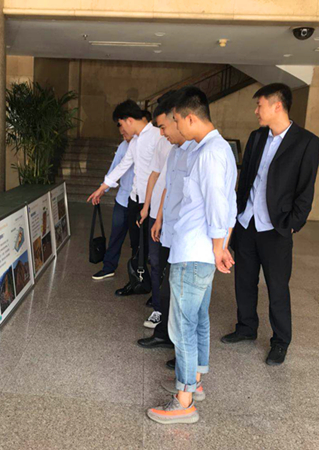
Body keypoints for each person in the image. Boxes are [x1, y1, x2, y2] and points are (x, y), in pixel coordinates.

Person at [147, 86, 237, 425]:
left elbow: (218, 206)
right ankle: (194, 382)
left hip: (194, 251)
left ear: (189, 118)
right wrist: (220, 246)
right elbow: (229, 205)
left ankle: (184, 401)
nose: (173, 128)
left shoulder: (209, 152)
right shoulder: (216, 149)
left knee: (182, 326)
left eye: (174, 121)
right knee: (197, 318)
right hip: (199, 250)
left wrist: (218, 248)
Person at [221, 83, 319, 366]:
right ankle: (246, 328)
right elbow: (245, 180)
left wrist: (293, 224)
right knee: (244, 281)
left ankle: (280, 341)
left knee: (277, 287)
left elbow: (306, 188)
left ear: (277, 106)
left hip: (276, 228)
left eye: (259, 105)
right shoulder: (256, 137)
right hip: (247, 223)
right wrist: (236, 214)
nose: (256, 111)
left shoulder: (306, 141)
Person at [137, 92, 196, 353]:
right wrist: (157, 216)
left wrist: (221, 244)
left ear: (178, 118)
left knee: (184, 295)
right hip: (168, 224)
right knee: (165, 279)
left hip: (187, 234)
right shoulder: (174, 150)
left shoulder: (199, 151)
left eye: (163, 127)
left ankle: (184, 354)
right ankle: (164, 333)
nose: (161, 134)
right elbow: (167, 188)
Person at [88, 100, 164, 296]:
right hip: (134, 200)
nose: (121, 130)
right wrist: (102, 188)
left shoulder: (157, 136)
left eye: (121, 124)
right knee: (136, 244)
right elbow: (123, 165)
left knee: (153, 249)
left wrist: (149, 205)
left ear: (129, 120)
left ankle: (157, 292)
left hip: (152, 203)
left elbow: (161, 174)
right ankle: (138, 281)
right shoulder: (135, 142)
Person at [138, 96, 174, 327]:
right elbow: (154, 174)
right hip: (156, 214)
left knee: (171, 264)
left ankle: (168, 309)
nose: (161, 133)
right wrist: (146, 207)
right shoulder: (163, 142)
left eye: (162, 127)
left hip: (171, 214)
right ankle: (158, 308)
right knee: (155, 261)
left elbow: (171, 185)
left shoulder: (184, 144)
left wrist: (159, 214)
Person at [91, 128, 135, 280]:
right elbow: (115, 168)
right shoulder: (123, 146)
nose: (123, 135)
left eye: (125, 132)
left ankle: (138, 273)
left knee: (137, 241)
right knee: (115, 236)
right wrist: (102, 190)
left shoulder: (146, 144)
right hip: (122, 199)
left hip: (140, 202)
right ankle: (108, 267)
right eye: (121, 133)